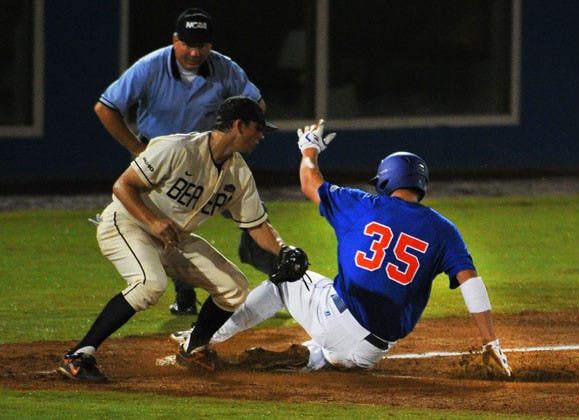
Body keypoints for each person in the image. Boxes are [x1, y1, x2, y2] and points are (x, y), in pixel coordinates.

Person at [169, 120, 512, 375]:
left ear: (387, 180)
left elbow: (309, 181)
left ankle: (200, 337)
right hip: (370, 354)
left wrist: (309, 148)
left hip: (336, 321)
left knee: (286, 278)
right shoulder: (444, 230)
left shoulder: (363, 205)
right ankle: (317, 357)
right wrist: (490, 341)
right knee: (329, 328)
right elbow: (472, 284)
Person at [57, 96, 304, 382]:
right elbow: (123, 186)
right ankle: (78, 356)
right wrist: (152, 222)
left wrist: (284, 251)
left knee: (234, 286)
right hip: (128, 224)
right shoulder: (177, 148)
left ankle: (193, 349)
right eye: (258, 128)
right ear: (239, 125)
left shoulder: (239, 173)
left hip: (173, 239)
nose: (261, 136)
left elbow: (256, 224)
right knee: (150, 284)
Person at [94, 7, 274, 316]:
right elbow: (105, 107)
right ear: (174, 40)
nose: (194, 52)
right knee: (167, 218)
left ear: (210, 45)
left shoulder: (226, 69)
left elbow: (257, 106)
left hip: (209, 159)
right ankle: (184, 292)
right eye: (187, 43)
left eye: (201, 45)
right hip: (162, 164)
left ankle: (278, 276)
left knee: (254, 216)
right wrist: (137, 149)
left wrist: (234, 135)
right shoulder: (149, 67)